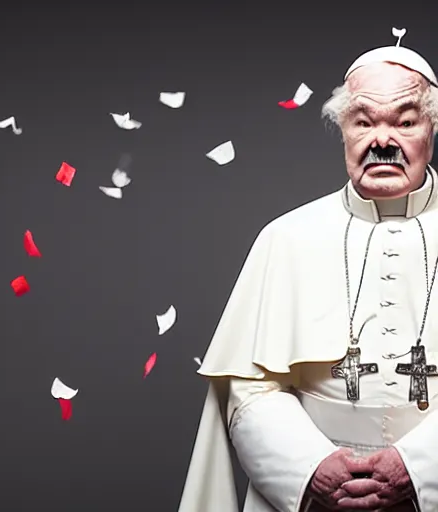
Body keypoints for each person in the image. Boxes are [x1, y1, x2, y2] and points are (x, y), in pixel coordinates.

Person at [177, 28, 438, 512]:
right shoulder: (287, 237)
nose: (383, 140)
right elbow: (250, 388)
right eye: (363, 123)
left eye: (404, 122)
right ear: (342, 129)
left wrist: (420, 468)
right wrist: (310, 467)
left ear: (432, 130)